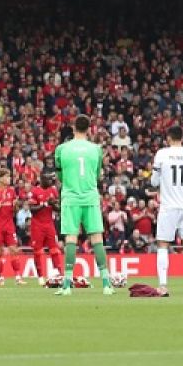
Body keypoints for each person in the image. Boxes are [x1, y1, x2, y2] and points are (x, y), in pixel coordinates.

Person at [54, 114, 113, 296]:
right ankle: (106, 284)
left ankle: (67, 285)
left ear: (73, 127)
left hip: (70, 197)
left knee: (71, 239)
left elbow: (60, 175)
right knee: (97, 239)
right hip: (90, 197)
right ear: (89, 129)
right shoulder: (96, 149)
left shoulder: (62, 149)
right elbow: (97, 175)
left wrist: (70, 183)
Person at [150, 125, 183, 296]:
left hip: (168, 206)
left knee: (163, 245)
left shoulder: (162, 154)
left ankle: (163, 285)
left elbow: (154, 182)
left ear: (169, 139)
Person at [0, 168, 23, 286]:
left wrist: (16, 206)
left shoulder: (11, 192)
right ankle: (0, 277)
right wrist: (0, 203)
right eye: (7, 177)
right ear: (0, 178)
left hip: (9, 225)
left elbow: (14, 211)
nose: (9, 179)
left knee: (14, 249)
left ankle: (18, 277)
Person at [28, 171, 63, 284]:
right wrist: (44, 204)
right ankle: (40, 276)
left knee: (55, 249)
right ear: (42, 180)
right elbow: (32, 210)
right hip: (37, 225)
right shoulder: (34, 191)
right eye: (48, 180)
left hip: (49, 224)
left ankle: (60, 273)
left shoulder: (53, 190)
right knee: (38, 251)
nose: (50, 182)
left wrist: (53, 204)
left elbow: (58, 208)